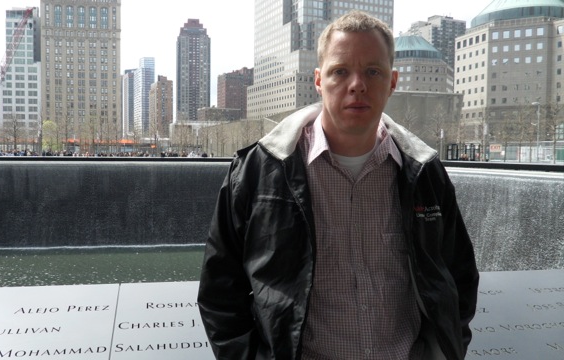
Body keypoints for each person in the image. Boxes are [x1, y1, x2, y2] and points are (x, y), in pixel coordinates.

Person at [198, 10, 479, 360]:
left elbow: (459, 277)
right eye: (340, 71)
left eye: (372, 71)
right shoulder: (258, 171)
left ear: (392, 82)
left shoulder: (425, 173)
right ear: (318, 80)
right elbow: (220, 291)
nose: (357, 84)